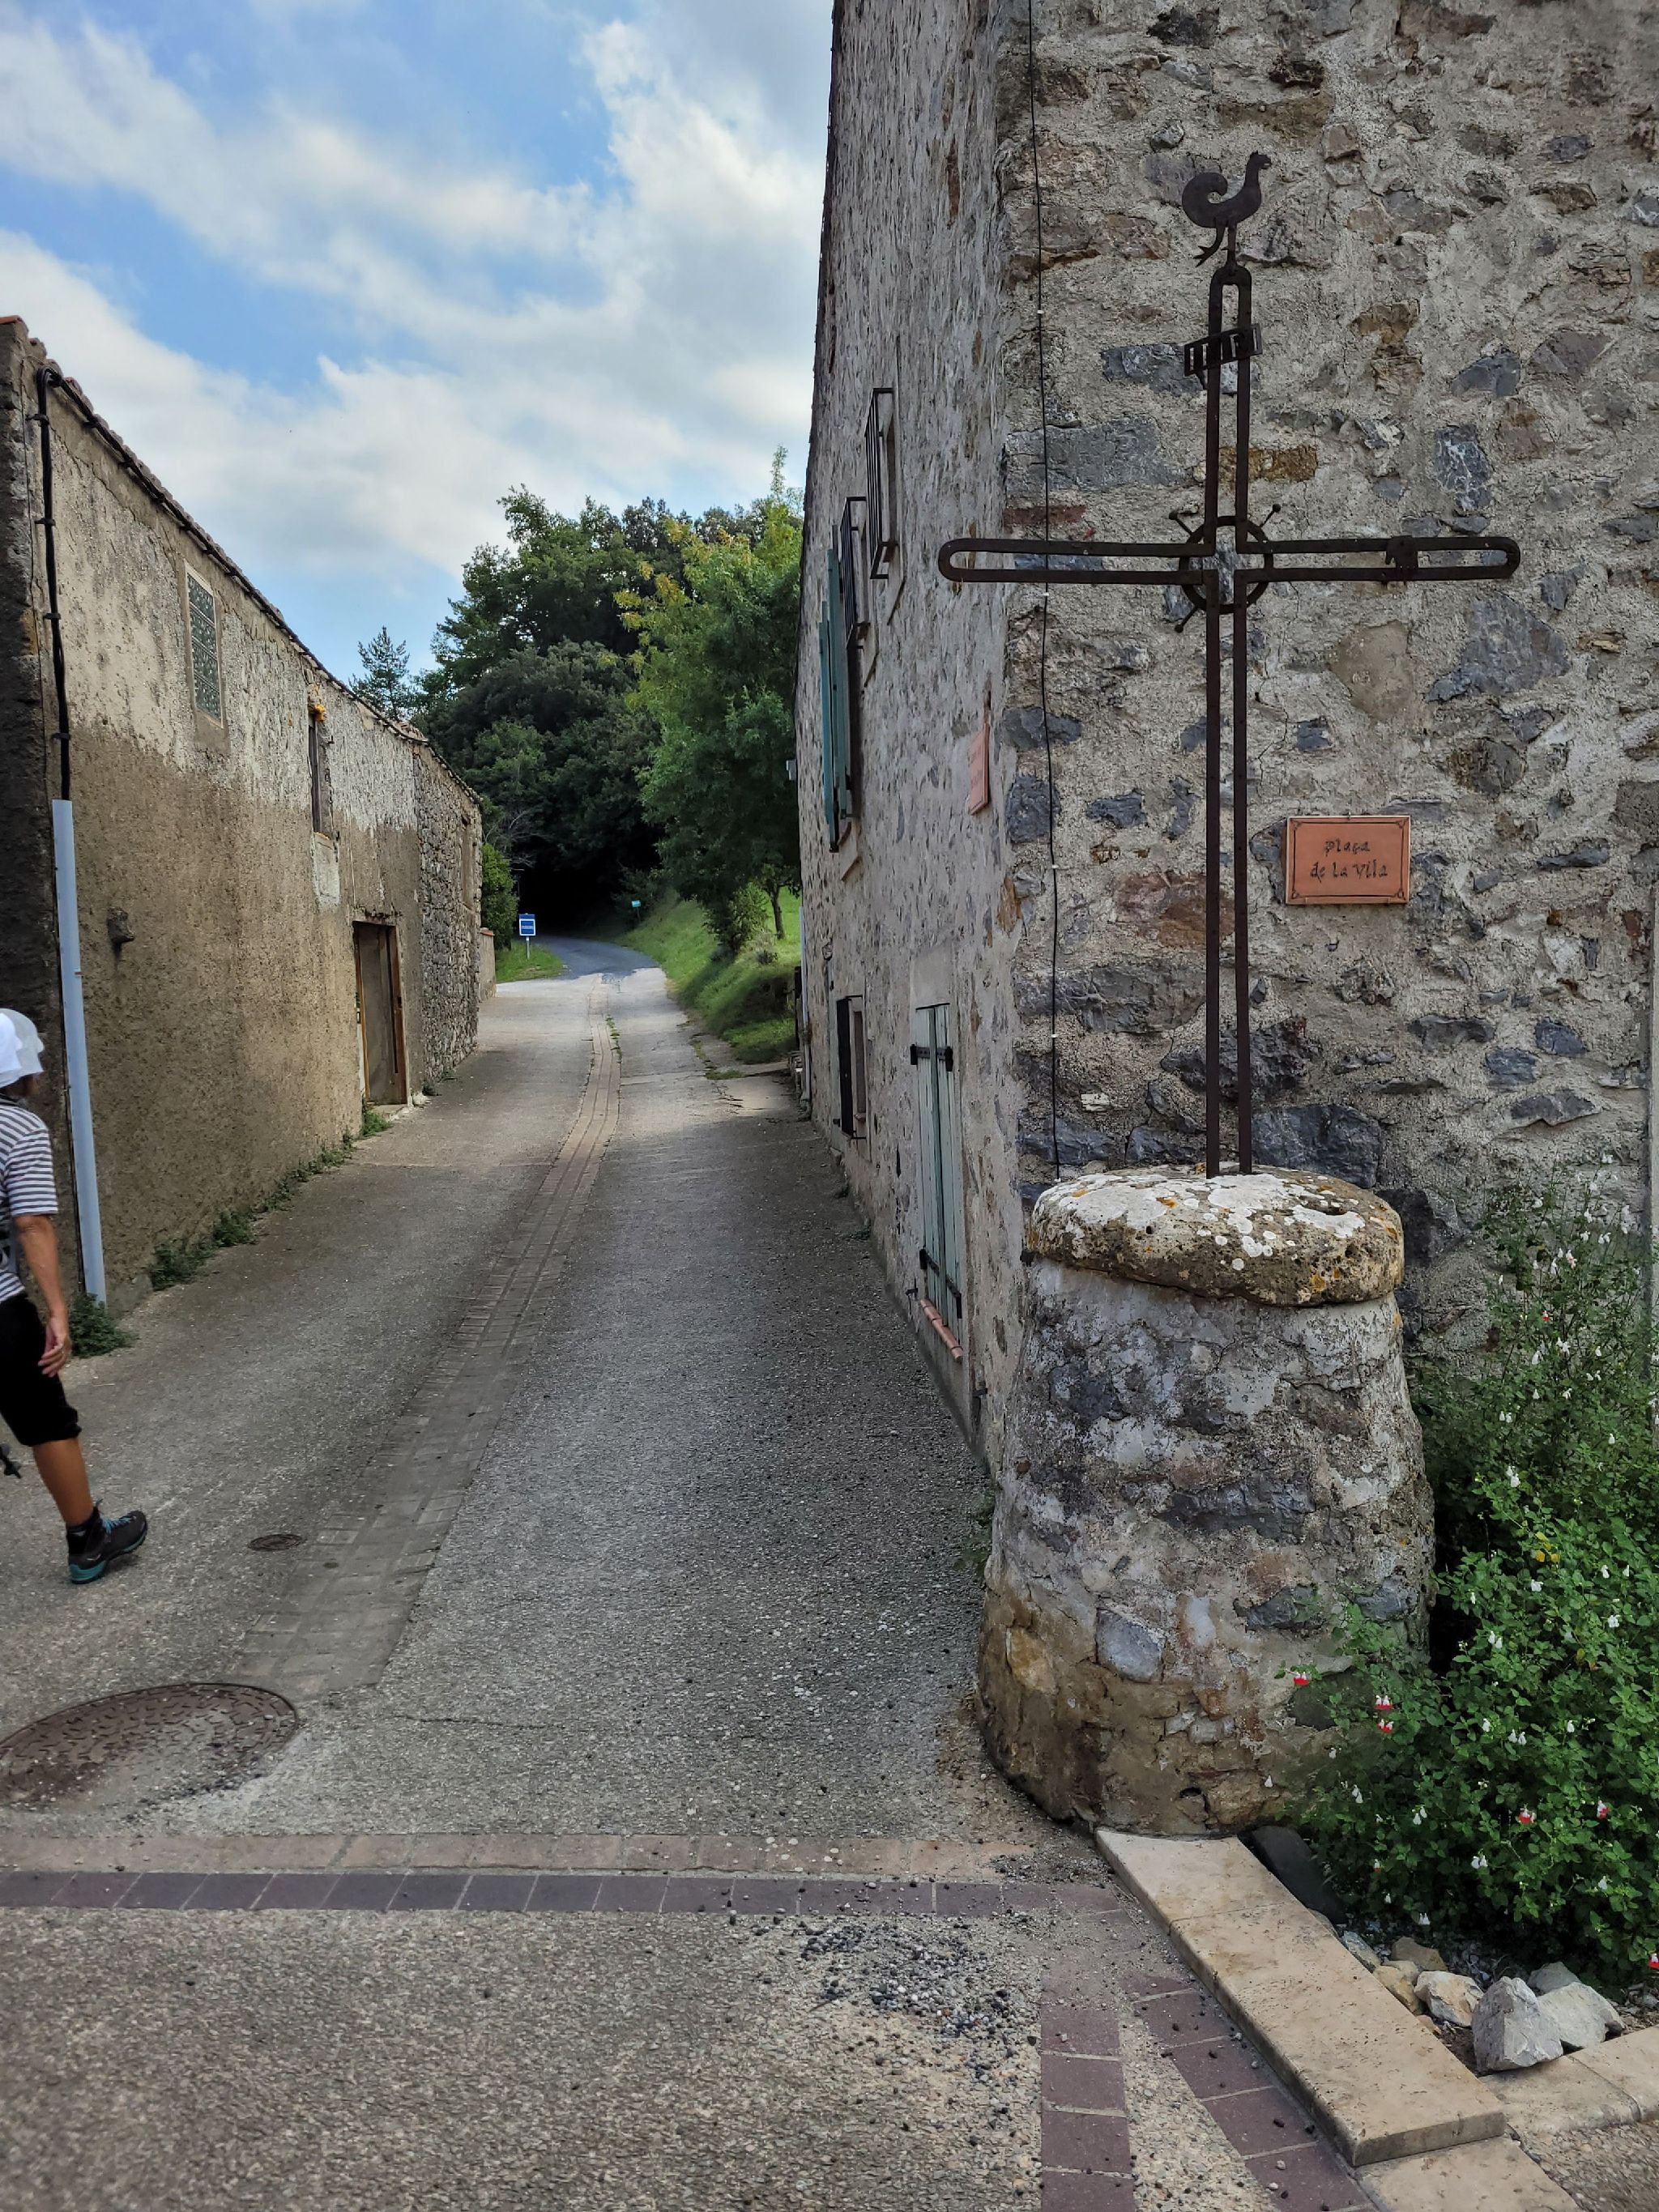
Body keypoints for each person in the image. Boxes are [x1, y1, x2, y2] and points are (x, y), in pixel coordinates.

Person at [0, 1008, 146, 1583]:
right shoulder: (18, 1127)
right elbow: (32, 1221)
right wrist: (58, 1312)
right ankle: (88, 1541)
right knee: (47, 1421)